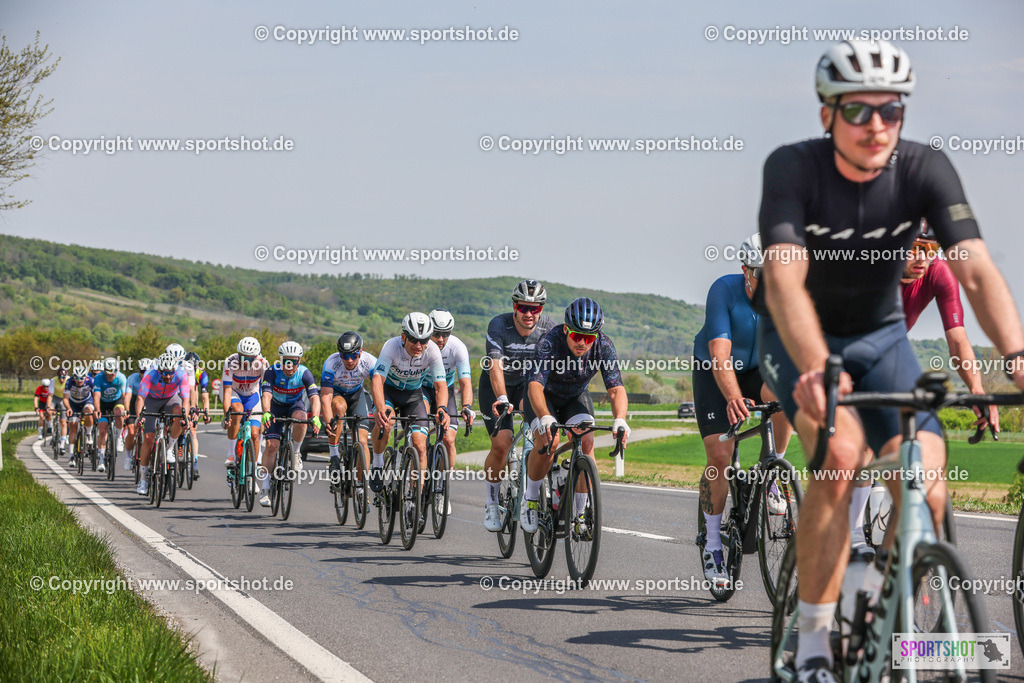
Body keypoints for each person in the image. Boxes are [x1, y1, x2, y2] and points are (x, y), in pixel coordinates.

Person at [756, 40, 1024, 678]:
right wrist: (819, 363)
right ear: (827, 115)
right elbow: (786, 280)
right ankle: (816, 644)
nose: (876, 124)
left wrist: (1015, 352)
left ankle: (898, 607)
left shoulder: (925, 170)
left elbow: (978, 271)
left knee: (927, 474)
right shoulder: (793, 169)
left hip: (880, 339)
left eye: (891, 110)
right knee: (842, 455)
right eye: (858, 111)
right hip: (798, 339)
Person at [692, 234, 793, 586]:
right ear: (746, 271)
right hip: (714, 371)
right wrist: (733, 397)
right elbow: (719, 353)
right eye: (762, 275)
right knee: (720, 454)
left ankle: (773, 474)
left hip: (756, 370)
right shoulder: (724, 290)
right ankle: (713, 541)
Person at [520, 297, 630, 534]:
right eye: (576, 335)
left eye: (588, 338)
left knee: (587, 441)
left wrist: (620, 418)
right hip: (543, 396)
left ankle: (579, 515)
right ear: (566, 330)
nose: (582, 342)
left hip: (574, 397)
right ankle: (529, 499)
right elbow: (535, 387)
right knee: (550, 440)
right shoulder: (550, 341)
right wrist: (545, 416)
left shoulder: (604, 345)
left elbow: (615, 389)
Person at [481, 280, 557, 531]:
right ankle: (492, 502)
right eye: (524, 307)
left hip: (528, 385)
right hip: (497, 384)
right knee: (502, 445)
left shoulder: (550, 328)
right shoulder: (499, 325)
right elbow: (495, 366)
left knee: (542, 437)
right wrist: (502, 398)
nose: (529, 314)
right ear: (514, 305)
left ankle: (533, 496)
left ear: (542, 309)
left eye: (535, 309)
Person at [369, 313, 450, 494]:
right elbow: (377, 380)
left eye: (424, 340)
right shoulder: (391, 346)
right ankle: (377, 462)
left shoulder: (432, 351)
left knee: (420, 446)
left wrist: (442, 407)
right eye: (414, 340)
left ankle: (415, 499)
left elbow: (440, 386)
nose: (419, 345)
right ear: (404, 336)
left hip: (413, 395)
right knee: (386, 422)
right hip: (389, 392)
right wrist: (381, 407)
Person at [422, 309, 475, 514]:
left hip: (447, 390)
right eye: (436, 333)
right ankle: (419, 463)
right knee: (422, 426)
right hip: (423, 388)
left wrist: (467, 407)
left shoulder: (457, 348)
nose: (441, 339)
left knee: (449, 439)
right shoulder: (422, 346)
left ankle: (444, 488)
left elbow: (465, 382)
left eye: (446, 334)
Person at [259, 341, 322, 507]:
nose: (289, 365)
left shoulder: (304, 373)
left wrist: (315, 416)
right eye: (286, 361)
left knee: (302, 418)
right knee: (272, 446)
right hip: (275, 407)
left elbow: (314, 397)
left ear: (298, 361)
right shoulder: (272, 372)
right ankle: (265, 487)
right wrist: (266, 412)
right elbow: (266, 395)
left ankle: (296, 451)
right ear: (281, 360)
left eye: (293, 361)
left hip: (294, 405)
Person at [321, 332, 376, 484]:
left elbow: (379, 387)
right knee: (338, 407)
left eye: (354, 356)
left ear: (361, 351)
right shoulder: (331, 364)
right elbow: (326, 398)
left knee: (363, 443)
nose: (350, 360)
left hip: (356, 395)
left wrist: (380, 407)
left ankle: (360, 485)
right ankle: (333, 456)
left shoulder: (370, 361)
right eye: (345, 356)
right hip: (337, 394)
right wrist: (328, 422)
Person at [134, 354, 190, 496]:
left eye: (171, 372)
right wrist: (140, 416)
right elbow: (140, 397)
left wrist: (185, 418)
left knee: (179, 412)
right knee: (148, 438)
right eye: (165, 373)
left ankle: (169, 448)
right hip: (152, 400)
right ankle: (143, 480)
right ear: (159, 370)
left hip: (170, 398)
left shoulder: (181, 374)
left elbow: (185, 399)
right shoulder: (150, 373)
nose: (168, 376)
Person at [222, 337, 270, 469]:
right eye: (243, 357)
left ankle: (253, 472)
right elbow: (226, 391)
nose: (245, 361)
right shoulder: (230, 362)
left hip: (252, 396)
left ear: (256, 357)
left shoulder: (263, 363)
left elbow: (267, 391)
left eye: (249, 358)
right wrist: (227, 414)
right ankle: (230, 454)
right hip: (234, 392)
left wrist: (267, 412)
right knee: (237, 410)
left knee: (255, 434)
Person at [91, 357, 127, 473]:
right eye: (109, 373)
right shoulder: (98, 378)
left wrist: (126, 410)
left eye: (114, 373)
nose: (112, 376)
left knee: (119, 413)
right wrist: (97, 409)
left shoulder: (121, 377)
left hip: (117, 401)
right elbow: (96, 395)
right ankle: (101, 459)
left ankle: (119, 437)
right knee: (102, 430)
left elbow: (125, 396)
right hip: (103, 403)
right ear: (104, 371)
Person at [184, 351, 211, 479]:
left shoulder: (201, 373)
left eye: (194, 365)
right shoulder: (180, 370)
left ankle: (194, 463)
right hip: (181, 399)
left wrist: (206, 412)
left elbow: (205, 396)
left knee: (193, 432)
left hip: (193, 402)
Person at [64, 367, 96, 467]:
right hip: (73, 404)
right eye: (77, 378)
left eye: (82, 378)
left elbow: (96, 396)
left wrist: (97, 408)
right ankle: (71, 455)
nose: (79, 380)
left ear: (85, 377)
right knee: (73, 425)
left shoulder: (91, 381)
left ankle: (89, 434)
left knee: (88, 412)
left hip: (87, 401)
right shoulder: (69, 382)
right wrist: (68, 408)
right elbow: (65, 399)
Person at [48, 368, 69, 455]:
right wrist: (49, 406)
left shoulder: (69, 380)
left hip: (64, 399)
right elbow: (50, 395)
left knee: (63, 422)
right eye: (60, 377)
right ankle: (51, 428)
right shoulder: (53, 381)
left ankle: (62, 445)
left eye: (63, 377)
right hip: (55, 398)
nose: (61, 379)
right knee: (49, 411)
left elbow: (69, 397)